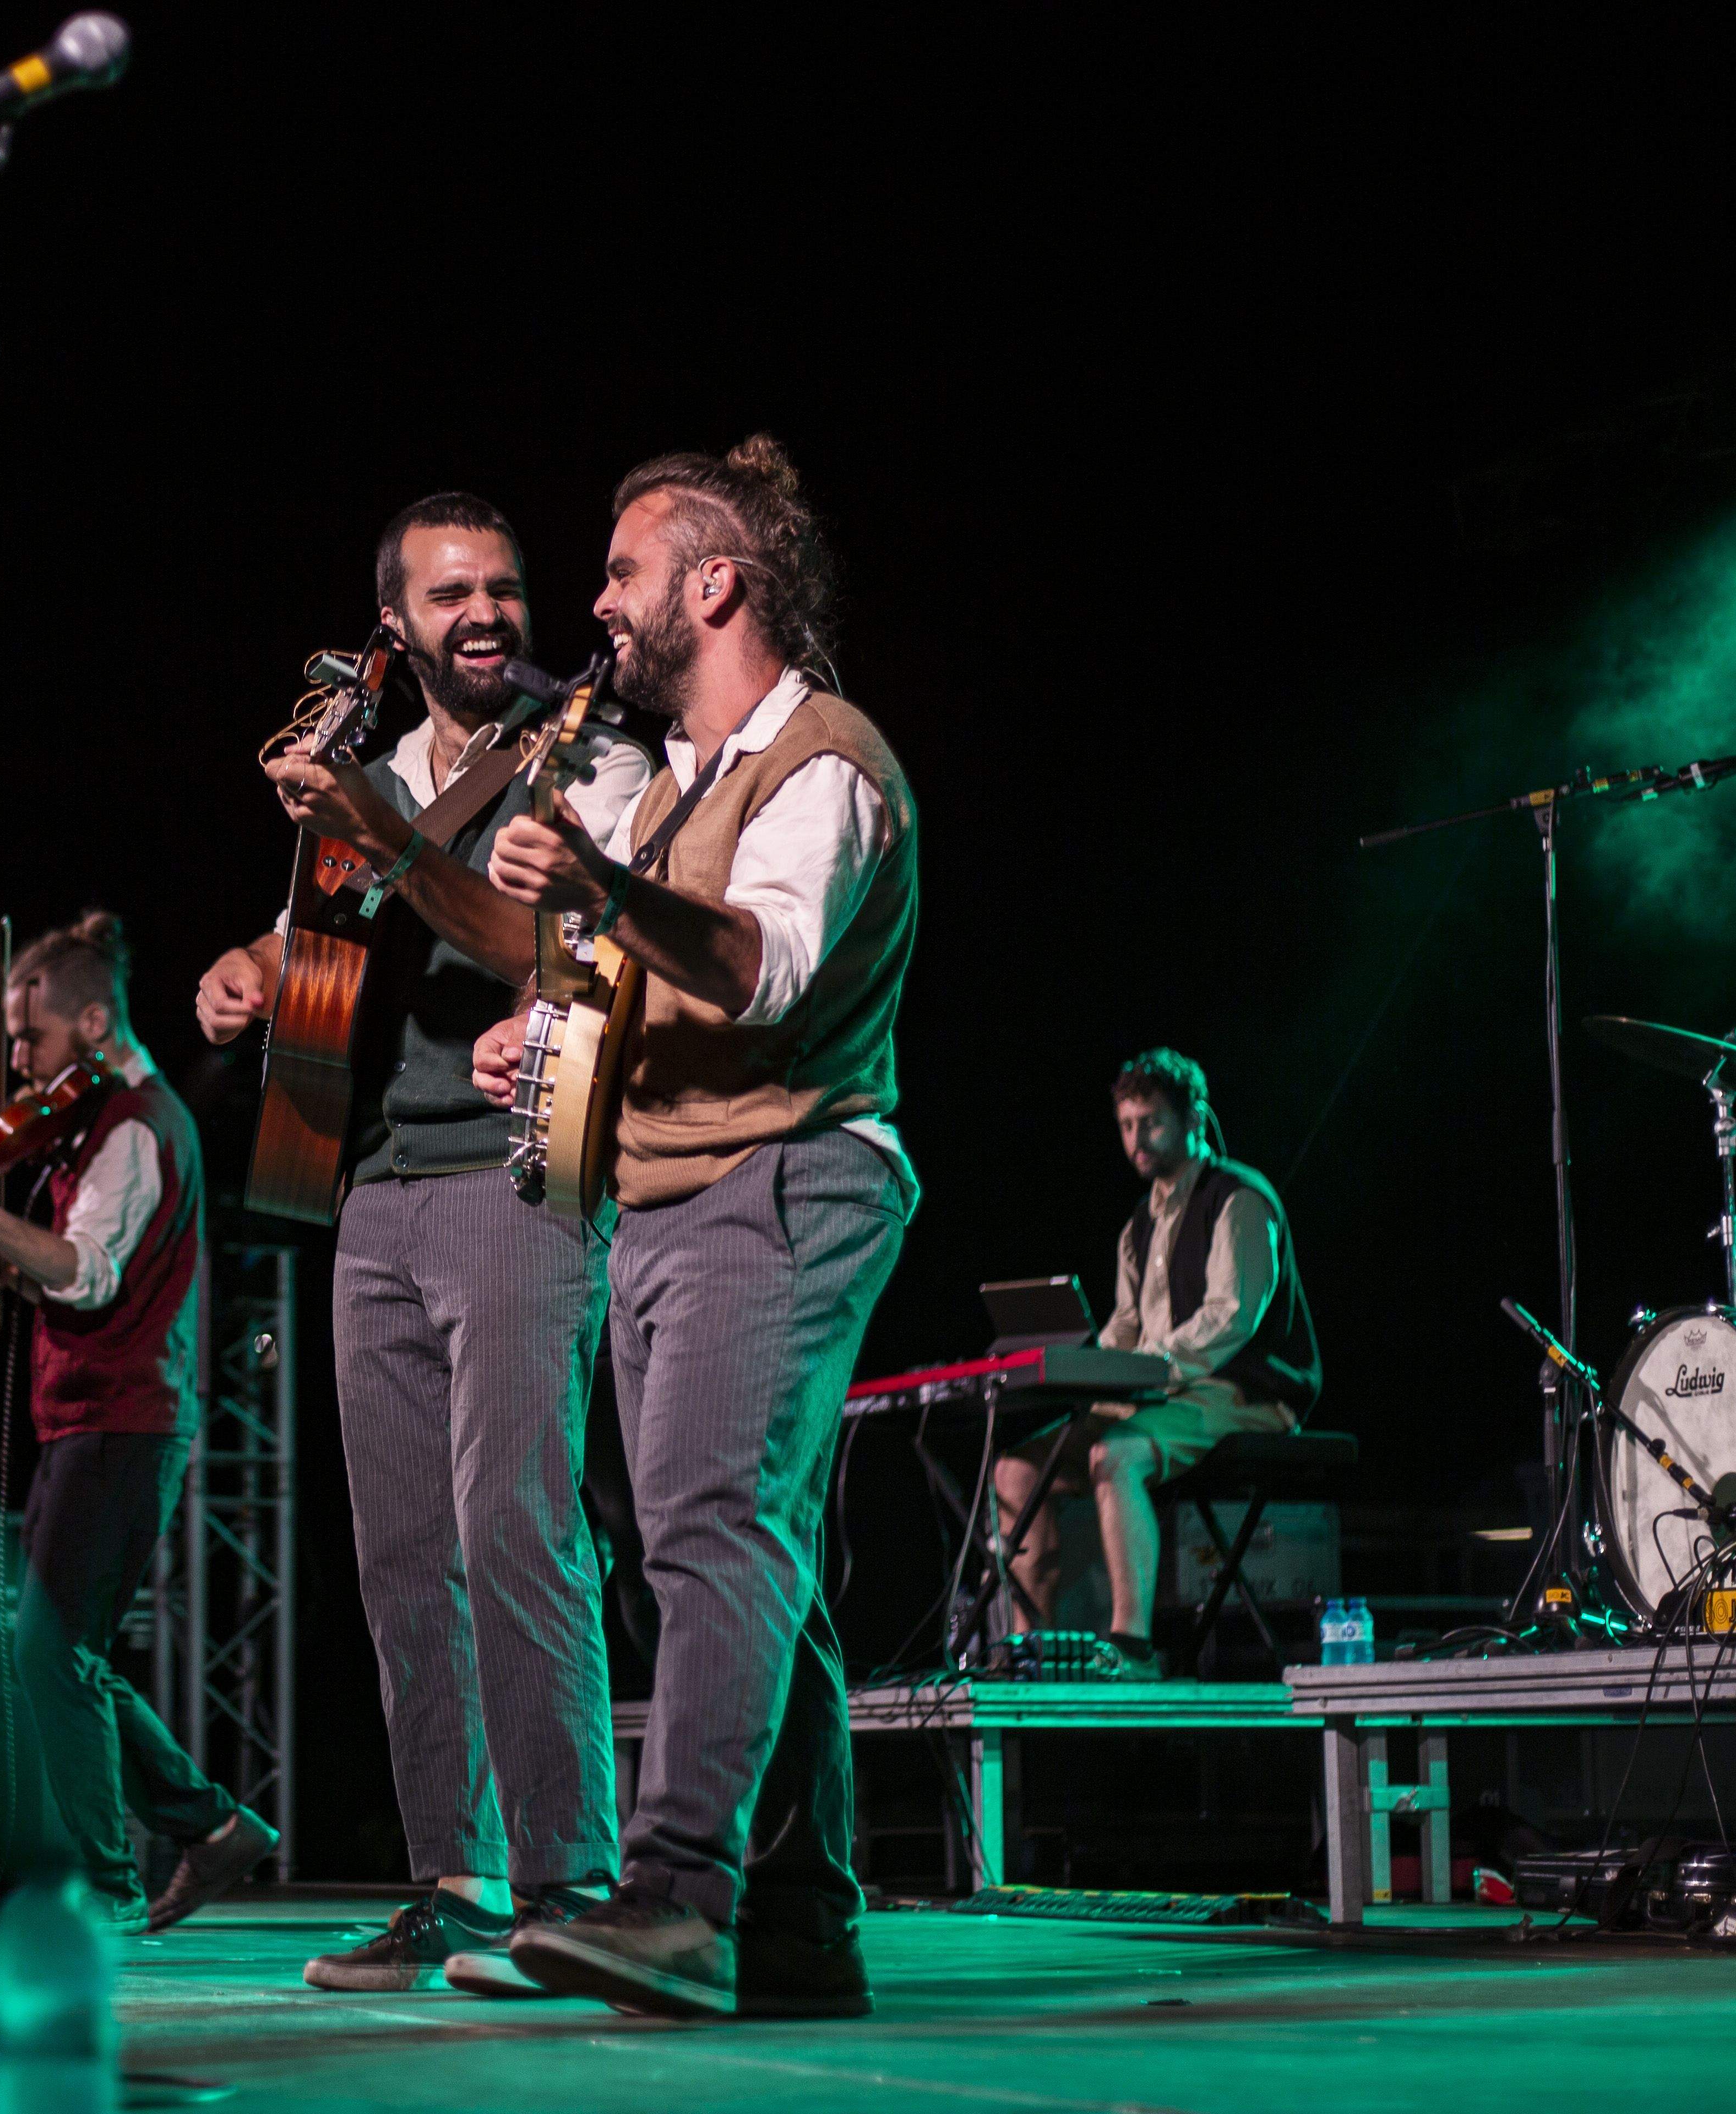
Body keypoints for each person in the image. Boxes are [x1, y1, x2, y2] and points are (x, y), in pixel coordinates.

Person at [473, 435, 915, 2019]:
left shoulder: (830, 767)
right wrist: (543, 1029)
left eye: (621, 572)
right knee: (738, 1554)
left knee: (717, 1532)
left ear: (712, 585)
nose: (597, 605)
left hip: (788, 1181)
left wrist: (596, 887)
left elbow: (763, 971)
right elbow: (648, 977)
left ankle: (675, 1901)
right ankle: (799, 1927)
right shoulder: (683, 786)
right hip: (671, 1198)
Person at [195, 494, 653, 1993]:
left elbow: (551, 946)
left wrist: (382, 834)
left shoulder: (588, 752)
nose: (487, 613)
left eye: (506, 588)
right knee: (401, 1556)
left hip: (519, 1174)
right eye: (451, 592)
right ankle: (455, 1885)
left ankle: (571, 1879)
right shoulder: (374, 765)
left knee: (516, 1527)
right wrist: (252, 969)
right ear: (394, 622)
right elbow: (343, 943)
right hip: (372, 1184)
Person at [0, 911, 277, 1932]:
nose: (18, 1062)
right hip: (90, 1416)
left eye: (33, 1040)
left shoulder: (139, 1126)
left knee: (47, 1650)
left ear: (95, 1022)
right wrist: (9, 1259)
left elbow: (93, 1272)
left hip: (125, 1416)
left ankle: (103, 1885)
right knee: (67, 1653)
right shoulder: (89, 1125)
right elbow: (63, 1261)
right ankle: (210, 1829)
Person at [987, 1048, 1323, 1675]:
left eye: (1150, 1122)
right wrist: (1065, 1366)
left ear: (1194, 1117)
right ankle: (1029, 1649)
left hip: (1245, 1394)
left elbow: (1232, 1318)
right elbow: (1124, 1329)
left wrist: (1148, 1372)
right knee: (1015, 1472)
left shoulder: (1240, 1199)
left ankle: (1131, 1646)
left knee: (1118, 1452)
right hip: (1166, 1394)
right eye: (1126, 1126)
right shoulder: (1139, 1226)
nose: (1136, 1139)